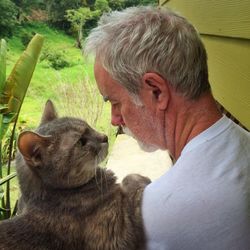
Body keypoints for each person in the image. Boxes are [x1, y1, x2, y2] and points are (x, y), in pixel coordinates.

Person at [84, 6, 250, 250]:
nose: (114, 119)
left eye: (115, 102)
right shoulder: (242, 141)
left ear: (156, 91)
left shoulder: (158, 214)